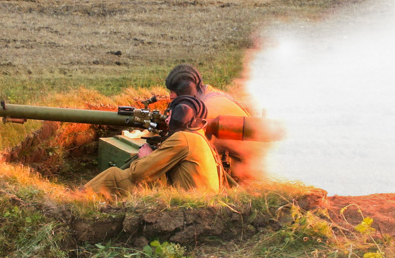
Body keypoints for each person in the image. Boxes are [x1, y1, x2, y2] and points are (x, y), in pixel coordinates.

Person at [84, 95, 221, 198]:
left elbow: (139, 174)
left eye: (170, 115)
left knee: (113, 175)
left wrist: (146, 157)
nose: (167, 120)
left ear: (181, 116)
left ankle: (77, 198)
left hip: (182, 205)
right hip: (195, 202)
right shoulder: (201, 140)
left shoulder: (183, 138)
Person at [164, 63, 262, 183]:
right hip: (244, 162)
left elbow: (185, 138)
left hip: (246, 172)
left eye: (175, 94)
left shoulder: (210, 108)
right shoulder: (209, 95)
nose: (170, 97)